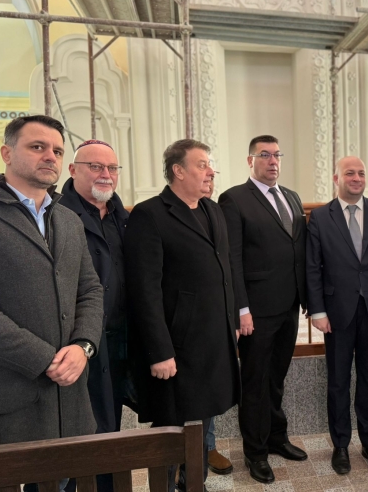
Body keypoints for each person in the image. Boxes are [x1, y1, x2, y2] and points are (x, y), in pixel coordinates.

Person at [0, 115, 103, 452]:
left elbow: (90, 290)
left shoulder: (68, 220)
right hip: (5, 413)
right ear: (6, 153)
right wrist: (47, 360)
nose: (50, 156)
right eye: (37, 147)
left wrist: (83, 346)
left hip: (70, 407)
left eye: (58, 151)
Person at [124, 139, 240, 490]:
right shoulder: (150, 215)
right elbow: (144, 291)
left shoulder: (212, 210)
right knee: (172, 434)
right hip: (177, 349)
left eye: (211, 165)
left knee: (199, 428)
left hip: (212, 342)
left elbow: (225, 272)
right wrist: (159, 351)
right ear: (178, 170)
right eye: (202, 165)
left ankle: (195, 484)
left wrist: (232, 322)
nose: (211, 172)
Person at [307, 156, 368, 476]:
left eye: (361, 173)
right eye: (349, 173)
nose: (356, 178)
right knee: (338, 381)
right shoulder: (320, 217)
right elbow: (312, 267)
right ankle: (340, 445)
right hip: (336, 312)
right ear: (336, 178)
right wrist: (317, 310)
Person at [218, 135, 308, 484]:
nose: (273, 161)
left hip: (289, 306)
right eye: (265, 155)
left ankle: (276, 438)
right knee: (255, 382)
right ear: (250, 160)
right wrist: (241, 308)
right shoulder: (234, 199)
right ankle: (255, 453)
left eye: (277, 155)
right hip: (255, 311)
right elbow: (233, 259)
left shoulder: (292, 196)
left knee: (276, 378)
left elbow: (296, 249)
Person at [59, 139, 136, 492]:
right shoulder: (57, 215)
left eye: (112, 168)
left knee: (109, 424)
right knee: (73, 434)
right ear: (73, 170)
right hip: (74, 343)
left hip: (119, 340)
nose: (106, 174)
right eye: (95, 166)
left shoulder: (124, 218)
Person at [203, 170, 234, 476]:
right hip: (183, 325)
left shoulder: (215, 211)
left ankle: (207, 446)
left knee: (210, 388)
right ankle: (181, 457)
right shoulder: (160, 213)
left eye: (212, 177)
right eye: (203, 173)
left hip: (216, 318)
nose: (209, 182)